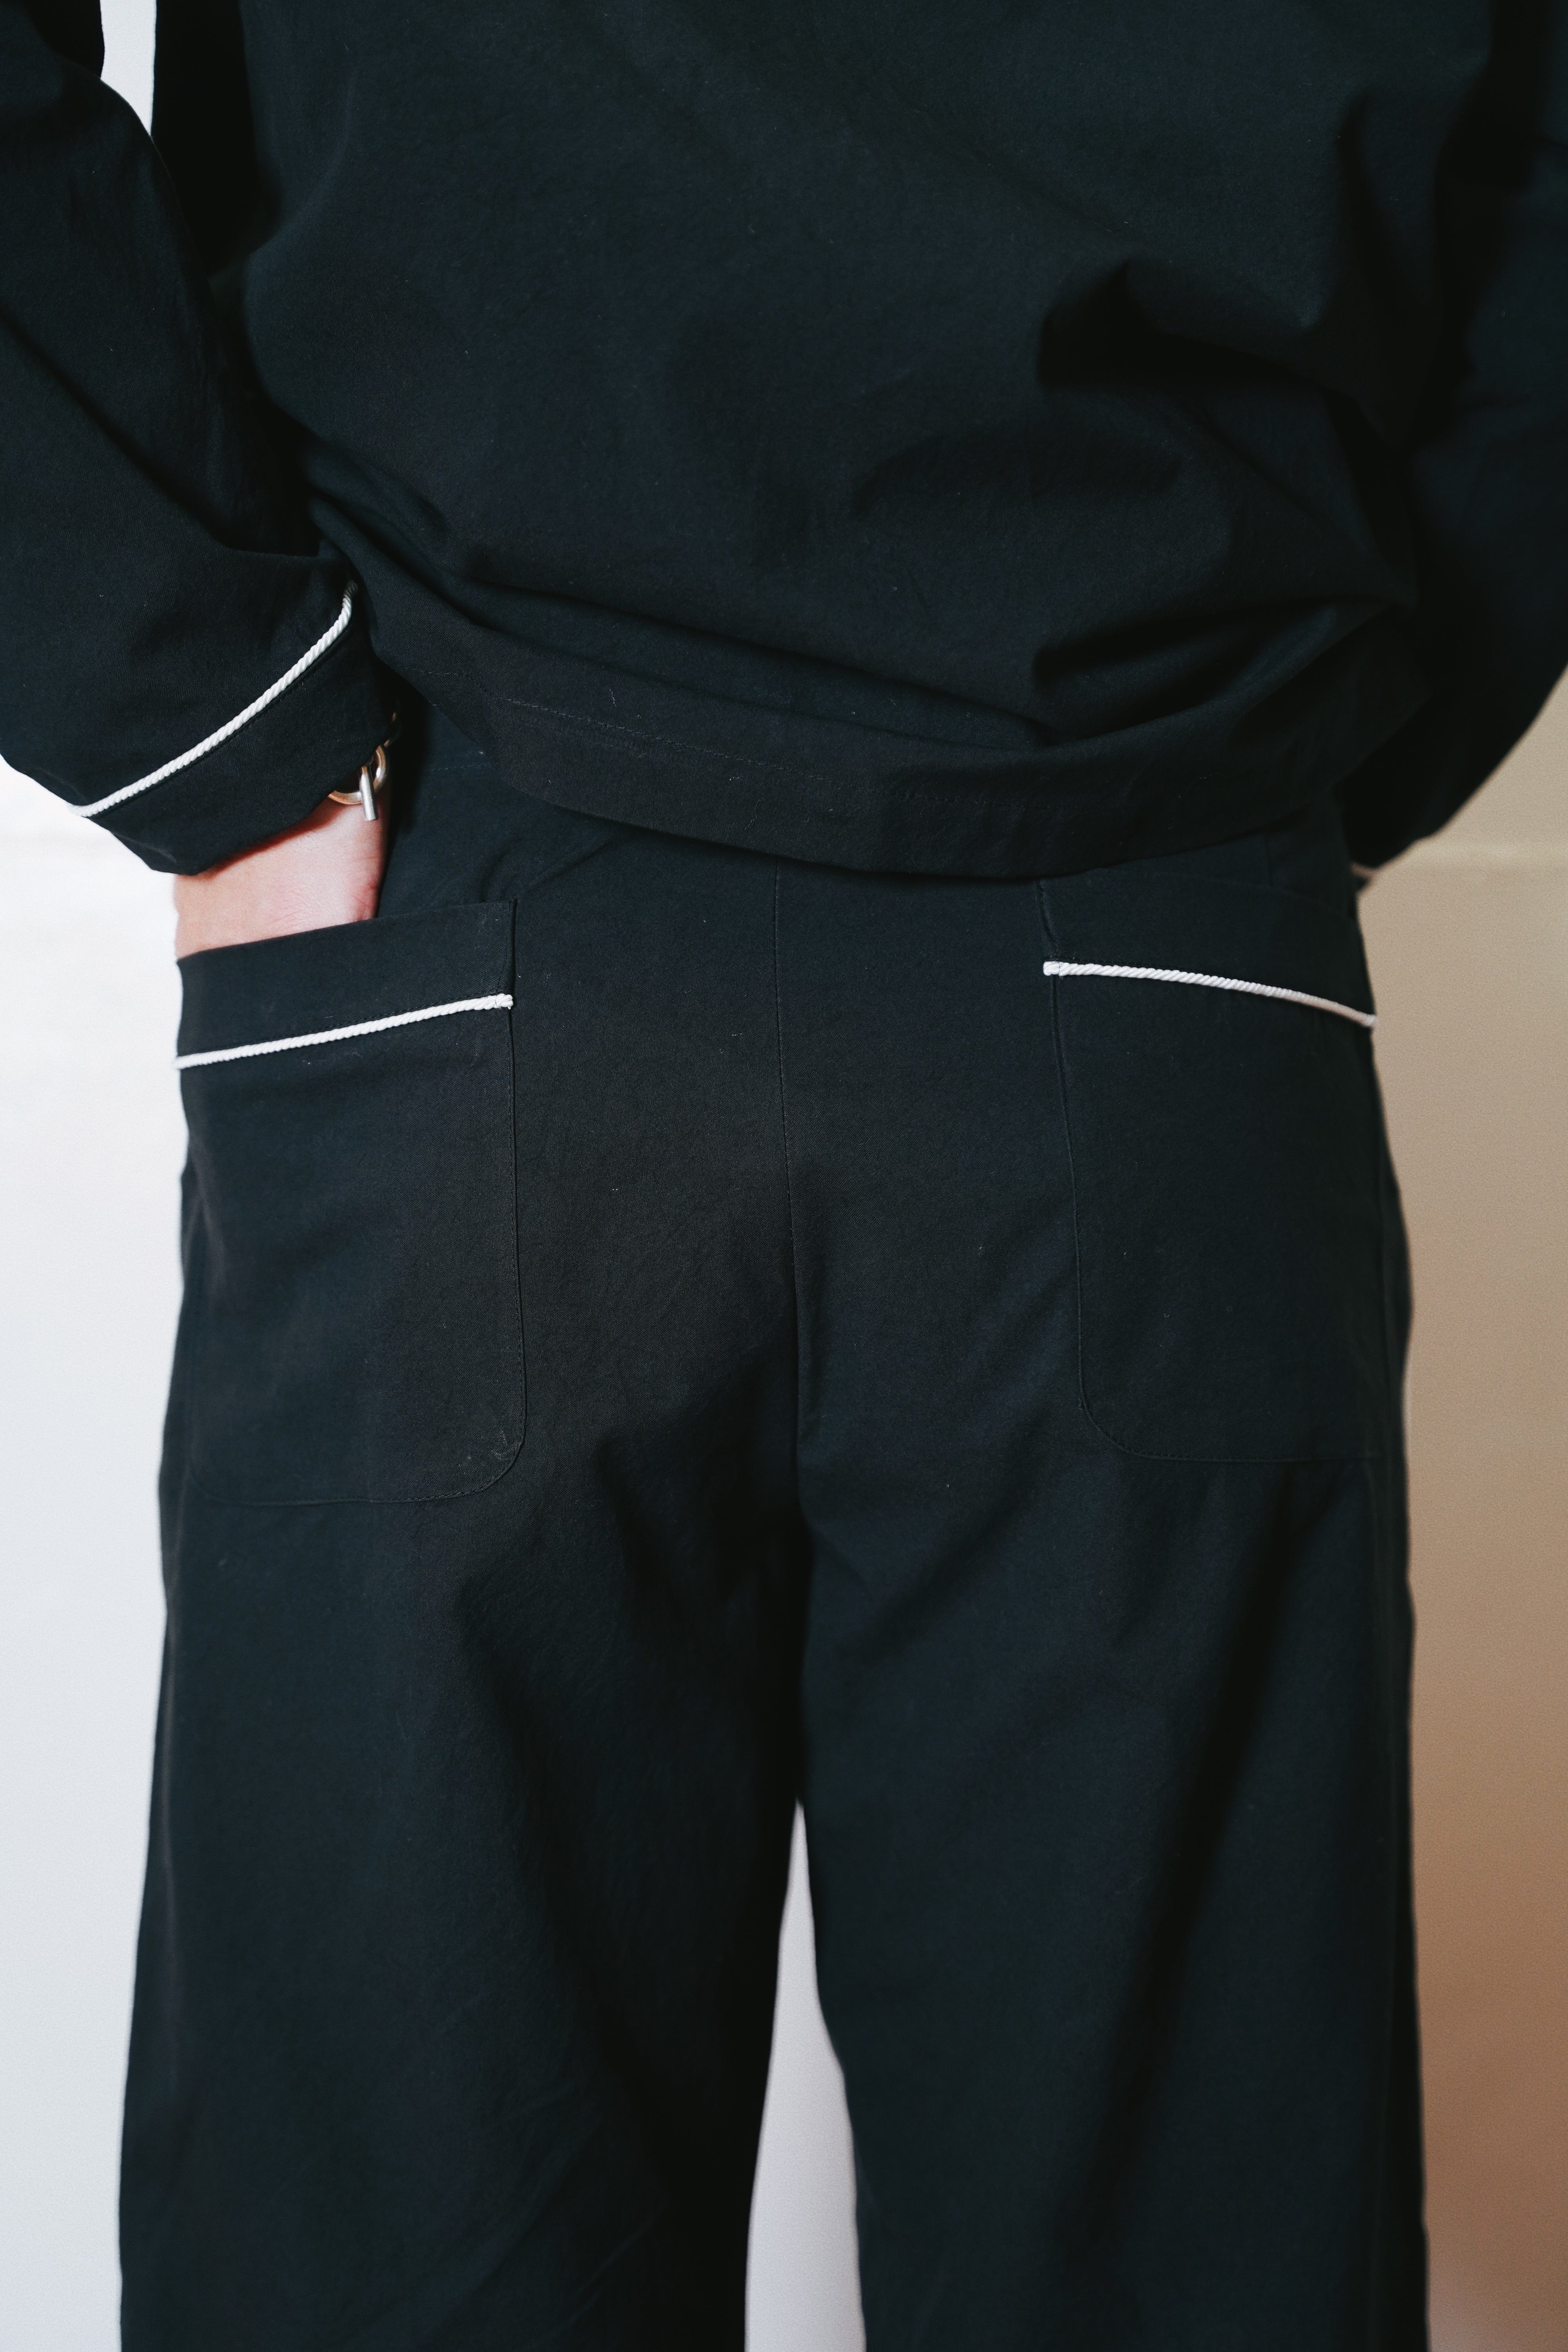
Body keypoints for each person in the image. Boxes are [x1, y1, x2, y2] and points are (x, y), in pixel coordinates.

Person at [4, 0, 1565, 2342]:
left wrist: (205, 705)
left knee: (407, 2256)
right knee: (1178, 2253)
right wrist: (1296, 744)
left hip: (481, 887)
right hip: (1117, 892)